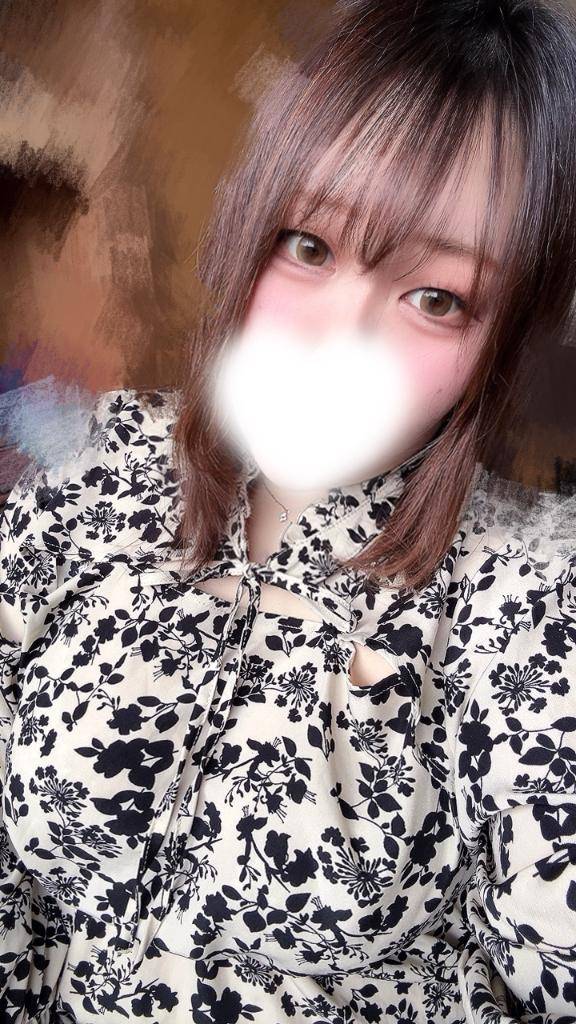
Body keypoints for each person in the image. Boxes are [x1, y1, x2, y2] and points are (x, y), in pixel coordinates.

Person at [1, 0, 575, 1021]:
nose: (334, 341)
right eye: (308, 245)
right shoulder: (101, 467)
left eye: (437, 297)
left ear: (503, 338)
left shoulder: (529, 595)